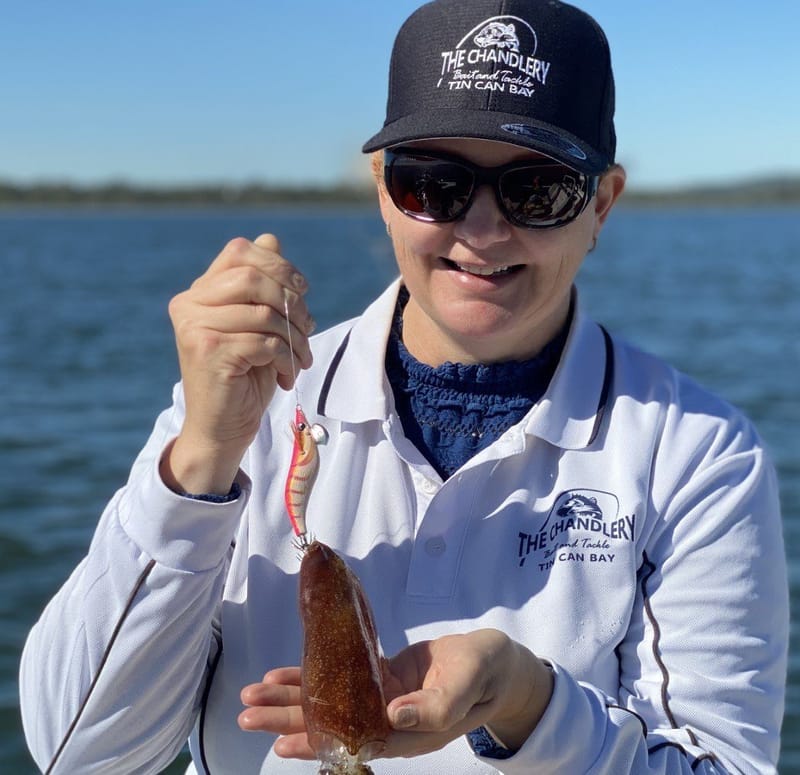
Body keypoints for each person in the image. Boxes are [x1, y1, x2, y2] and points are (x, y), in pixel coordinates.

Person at [20, 0, 788, 773]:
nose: (482, 231)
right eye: (434, 184)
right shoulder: (247, 407)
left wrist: (531, 706)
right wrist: (200, 462)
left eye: (538, 189)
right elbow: (77, 753)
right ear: (383, 189)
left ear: (601, 204)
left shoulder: (698, 454)